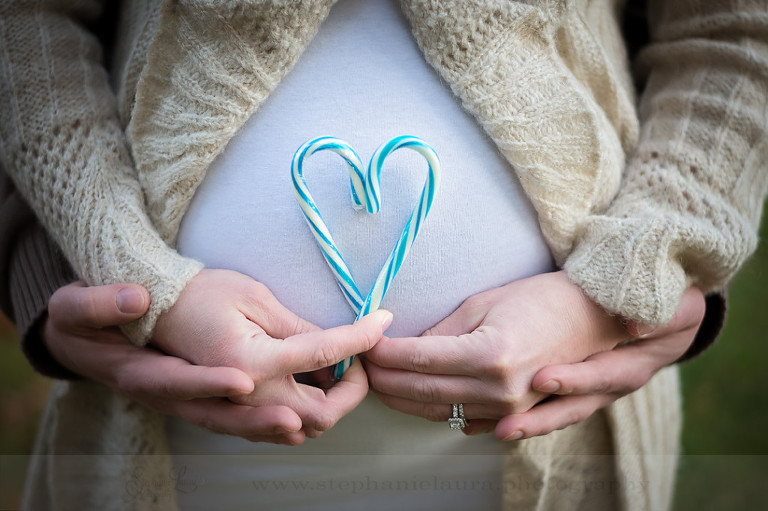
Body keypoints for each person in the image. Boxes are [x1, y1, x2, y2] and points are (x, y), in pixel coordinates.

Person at [0, 0, 765, 509]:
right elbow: (25, 29)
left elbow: (734, 35)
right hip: (181, 456)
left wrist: (634, 276)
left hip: (552, 453)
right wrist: (99, 265)